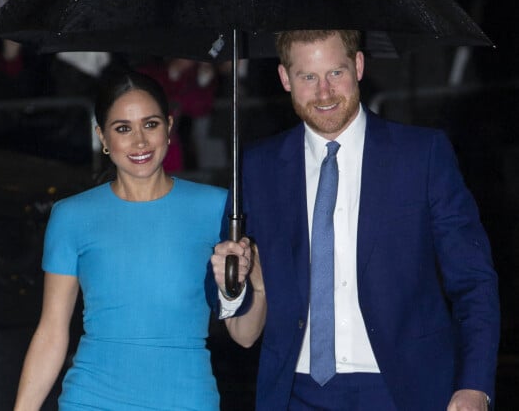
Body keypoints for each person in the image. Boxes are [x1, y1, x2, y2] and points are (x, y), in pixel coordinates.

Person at [211, 29, 499, 411]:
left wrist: (475, 385)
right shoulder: (258, 167)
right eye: (308, 77)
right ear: (285, 79)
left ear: (359, 65)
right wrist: (236, 281)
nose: (324, 93)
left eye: (336, 73)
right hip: (295, 393)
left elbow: (474, 281)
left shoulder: (422, 154)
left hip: (403, 391)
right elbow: (235, 304)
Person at [14, 70, 237, 410]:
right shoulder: (72, 215)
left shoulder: (218, 207)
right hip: (91, 399)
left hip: (187, 399)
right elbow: (51, 332)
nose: (140, 142)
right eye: (123, 128)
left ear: (169, 126)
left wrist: (255, 280)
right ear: (102, 137)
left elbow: (247, 333)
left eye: (150, 124)